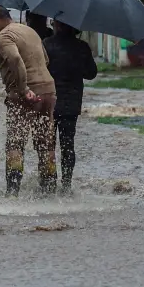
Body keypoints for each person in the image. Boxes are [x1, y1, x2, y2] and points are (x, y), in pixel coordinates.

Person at [0, 5, 57, 196]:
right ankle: (49, 191)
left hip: (24, 95)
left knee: (15, 143)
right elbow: (46, 61)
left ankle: (12, 194)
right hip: (48, 91)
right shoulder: (30, 31)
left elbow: (16, 60)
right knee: (46, 143)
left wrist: (24, 89)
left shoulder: (4, 36)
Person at [43, 20, 98, 194]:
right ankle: (66, 185)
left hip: (49, 102)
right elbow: (91, 73)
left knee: (47, 145)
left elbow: (38, 69)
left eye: (53, 22)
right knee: (68, 146)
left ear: (58, 25)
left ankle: (49, 185)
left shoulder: (46, 45)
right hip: (71, 104)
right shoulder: (82, 47)